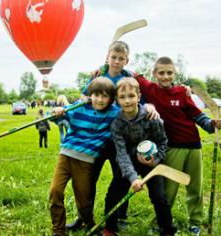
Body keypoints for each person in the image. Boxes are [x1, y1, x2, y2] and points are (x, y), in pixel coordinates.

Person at [67, 40, 160, 231]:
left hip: (121, 138)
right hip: (98, 137)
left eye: (121, 58)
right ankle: (84, 217)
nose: (116, 61)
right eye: (113, 57)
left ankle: (121, 216)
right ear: (107, 57)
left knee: (122, 176)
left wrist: (151, 105)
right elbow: (86, 97)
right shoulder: (98, 76)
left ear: (126, 60)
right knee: (89, 178)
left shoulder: (129, 77)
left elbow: (144, 97)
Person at [135, 57, 221, 236]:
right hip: (172, 147)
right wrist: (101, 70)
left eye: (169, 73)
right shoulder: (149, 89)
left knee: (195, 187)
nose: (165, 76)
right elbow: (126, 71)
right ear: (154, 74)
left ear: (175, 73)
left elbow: (197, 115)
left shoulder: (182, 92)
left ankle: (195, 222)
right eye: (161, 73)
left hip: (194, 146)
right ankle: (161, 222)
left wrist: (211, 124)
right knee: (169, 188)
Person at [103, 78, 176, 236]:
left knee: (159, 197)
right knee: (113, 194)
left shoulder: (153, 118)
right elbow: (121, 154)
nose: (127, 101)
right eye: (122, 97)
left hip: (151, 164)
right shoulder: (116, 124)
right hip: (128, 162)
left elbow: (163, 142)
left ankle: (168, 230)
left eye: (131, 96)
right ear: (117, 100)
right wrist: (133, 178)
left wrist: (155, 160)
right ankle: (109, 229)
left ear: (139, 96)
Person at [49, 77, 119, 236]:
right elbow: (53, 116)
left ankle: (89, 224)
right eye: (96, 95)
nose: (100, 100)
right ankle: (58, 230)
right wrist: (56, 112)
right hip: (65, 157)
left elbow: (132, 111)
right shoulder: (79, 107)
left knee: (84, 199)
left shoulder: (114, 113)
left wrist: (149, 107)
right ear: (90, 95)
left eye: (105, 96)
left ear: (111, 98)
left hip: (86, 161)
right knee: (55, 191)